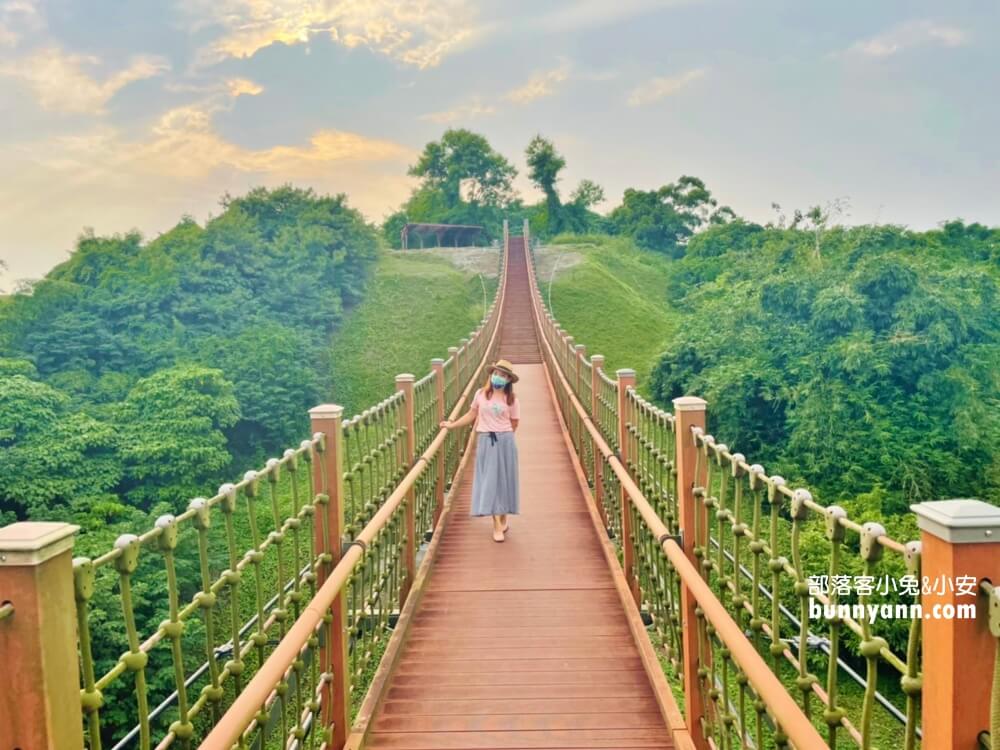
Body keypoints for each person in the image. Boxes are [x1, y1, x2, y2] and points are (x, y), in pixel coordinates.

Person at [440, 359, 520, 542]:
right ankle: (497, 526)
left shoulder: (512, 399)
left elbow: (515, 422)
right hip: (486, 441)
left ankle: (504, 518)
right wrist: (451, 425)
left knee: (505, 481)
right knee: (490, 482)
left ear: (509, 380)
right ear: (492, 374)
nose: (499, 377)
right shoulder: (481, 394)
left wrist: (503, 436)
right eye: (497, 374)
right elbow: (471, 414)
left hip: (505, 441)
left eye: (504, 376)